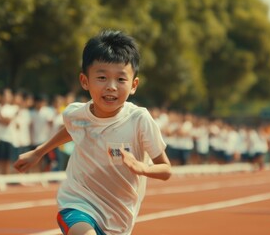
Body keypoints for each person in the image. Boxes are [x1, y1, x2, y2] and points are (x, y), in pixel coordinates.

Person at [14, 30, 172, 235]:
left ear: (134, 85)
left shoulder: (139, 120)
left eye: (121, 80)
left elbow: (166, 169)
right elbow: (71, 129)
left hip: (119, 216)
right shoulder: (75, 114)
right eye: (102, 77)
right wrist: (39, 152)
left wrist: (142, 168)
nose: (111, 87)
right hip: (78, 202)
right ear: (85, 81)